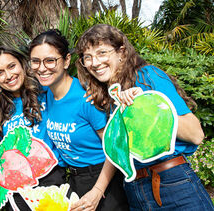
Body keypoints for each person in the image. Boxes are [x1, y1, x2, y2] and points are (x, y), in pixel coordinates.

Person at [75, 24, 214, 210]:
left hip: (172, 184)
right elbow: (117, 146)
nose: (94, 62)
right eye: (87, 57)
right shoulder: (108, 93)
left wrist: (143, 105)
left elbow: (196, 134)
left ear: (121, 52)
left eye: (102, 53)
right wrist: (98, 191)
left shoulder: (147, 77)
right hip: (135, 189)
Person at [29, 29, 129, 211]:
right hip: (75, 180)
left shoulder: (87, 98)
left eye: (50, 60)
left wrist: (97, 191)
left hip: (104, 178)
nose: (42, 68)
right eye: (35, 61)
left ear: (66, 61)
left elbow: (115, 146)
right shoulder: (46, 96)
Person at [0, 46, 65, 210]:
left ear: (22, 64)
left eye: (11, 66)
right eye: (0, 73)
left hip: (51, 177)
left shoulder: (46, 91)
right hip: (17, 186)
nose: (8, 76)